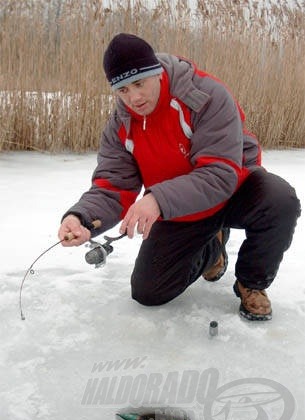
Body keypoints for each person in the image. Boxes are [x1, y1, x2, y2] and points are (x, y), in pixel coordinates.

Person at [58, 33, 301, 321]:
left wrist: (157, 199)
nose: (133, 97)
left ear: (157, 73)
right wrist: (83, 218)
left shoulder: (205, 95)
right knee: (149, 292)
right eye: (122, 90)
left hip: (235, 189)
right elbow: (113, 185)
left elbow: (220, 174)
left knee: (280, 200)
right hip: (183, 208)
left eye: (139, 84)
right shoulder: (121, 124)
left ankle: (252, 284)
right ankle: (212, 247)